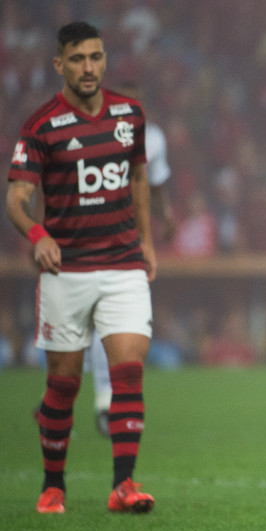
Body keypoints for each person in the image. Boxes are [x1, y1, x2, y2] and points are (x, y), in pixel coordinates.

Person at [6, 22, 156, 514]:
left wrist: (148, 243)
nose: (87, 67)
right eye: (77, 59)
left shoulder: (130, 115)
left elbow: (137, 177)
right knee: (63, 387)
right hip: (66, 271)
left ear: (105, 59)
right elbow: (16, 199)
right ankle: (53, 486)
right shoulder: (42, 125)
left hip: (123, 264)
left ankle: (123, 485)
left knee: (128, 371)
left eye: (95, 57)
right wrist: (37, 234)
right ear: (60, 65)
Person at [90, 80, 175, 438]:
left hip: (127, 234)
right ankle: (97, 396)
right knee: (94, 315)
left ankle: (109, 397)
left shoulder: (152, 137)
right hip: (90, 228)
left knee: (115, 314)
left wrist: (165, 218)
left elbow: (154, 184)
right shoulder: (94, 131)